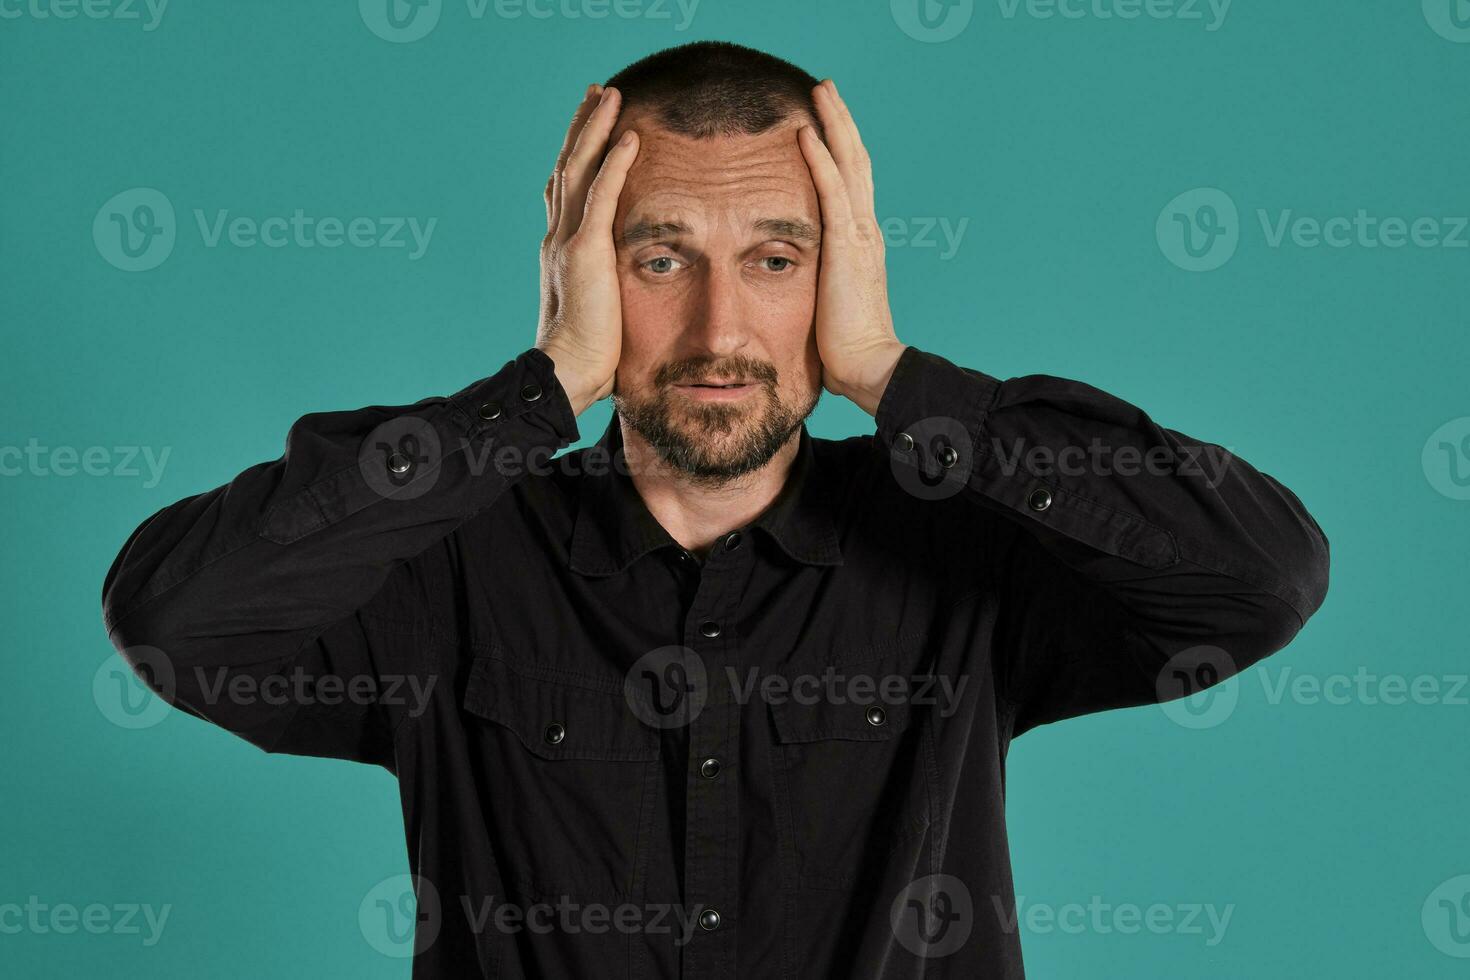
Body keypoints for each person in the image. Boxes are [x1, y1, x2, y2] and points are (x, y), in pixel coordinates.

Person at [100, 40, 1330, 979]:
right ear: (580, 267)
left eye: (776, 258)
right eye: (659, 257)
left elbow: (1259, 577)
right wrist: (535, 392)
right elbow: (179, 615)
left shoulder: (965, 548)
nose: (720, 330)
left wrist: (897, 377)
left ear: (839, 269)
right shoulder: (451, 559)